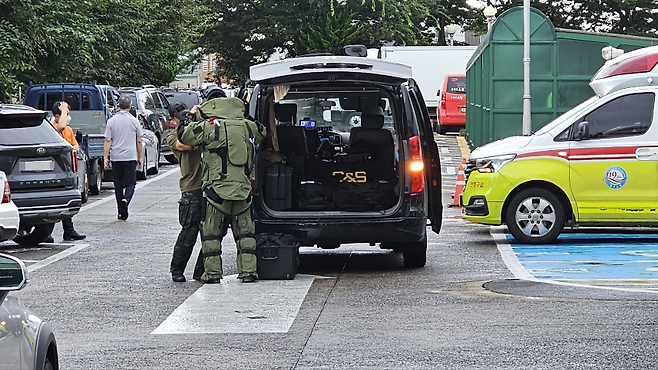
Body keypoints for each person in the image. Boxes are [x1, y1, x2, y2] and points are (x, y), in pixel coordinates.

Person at [178, 97, 266, 283]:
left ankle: (212, 275)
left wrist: (190, 116)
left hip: (215, 192)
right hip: (243, 191)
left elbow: (184, 135)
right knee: (246, 234)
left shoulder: (208, 127)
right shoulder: (248, 126)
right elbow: (262, 132)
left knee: (211, 234)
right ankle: (248, 272)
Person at [166, 101, 205, 282]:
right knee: (189, 232)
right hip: (192, 187)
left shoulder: (202, 128)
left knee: (211, 233)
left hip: (210, 186)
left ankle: (201, 270)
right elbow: (185, 145)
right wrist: (188, 120)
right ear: (173, 120)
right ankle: (177, 269)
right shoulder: (173, 136)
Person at [45, 101, 86, 242]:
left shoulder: (68, 130)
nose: (68, 117)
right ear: (57, 116)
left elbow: (75, 146)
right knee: (51, 201)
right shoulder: (52, 126)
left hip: (67, 168)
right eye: (65, 114)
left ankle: (69, 230)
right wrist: (63, 110)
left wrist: (73, 148)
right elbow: (60, 127)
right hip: (54, 169)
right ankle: (46, 233)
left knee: (67, 199)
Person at [103, 95, 143, 220]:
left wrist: (105, 157)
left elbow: (108, 140)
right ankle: (126, 199)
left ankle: (120, 211)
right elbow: (139, 140)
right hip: (130, 156)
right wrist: (140, 156)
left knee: (118, 185)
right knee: (131, 183)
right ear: (130, 107)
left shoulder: (111, 121)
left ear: (118, 106)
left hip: (116, 157)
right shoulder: (134, 121)